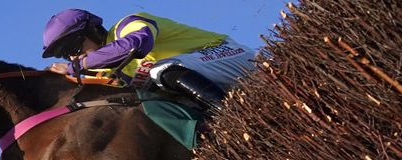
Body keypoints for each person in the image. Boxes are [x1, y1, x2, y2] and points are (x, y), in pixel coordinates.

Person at [42, 8, 255, 112]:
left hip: (230, 55)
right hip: (210, 82)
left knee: (161, 70)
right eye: (64, 54)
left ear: (93, 31)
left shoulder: (127, 25)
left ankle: (233, 118)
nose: (72, 56)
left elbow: (137, 43)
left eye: (73, 47)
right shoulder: (103, 72)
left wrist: (75, 67)